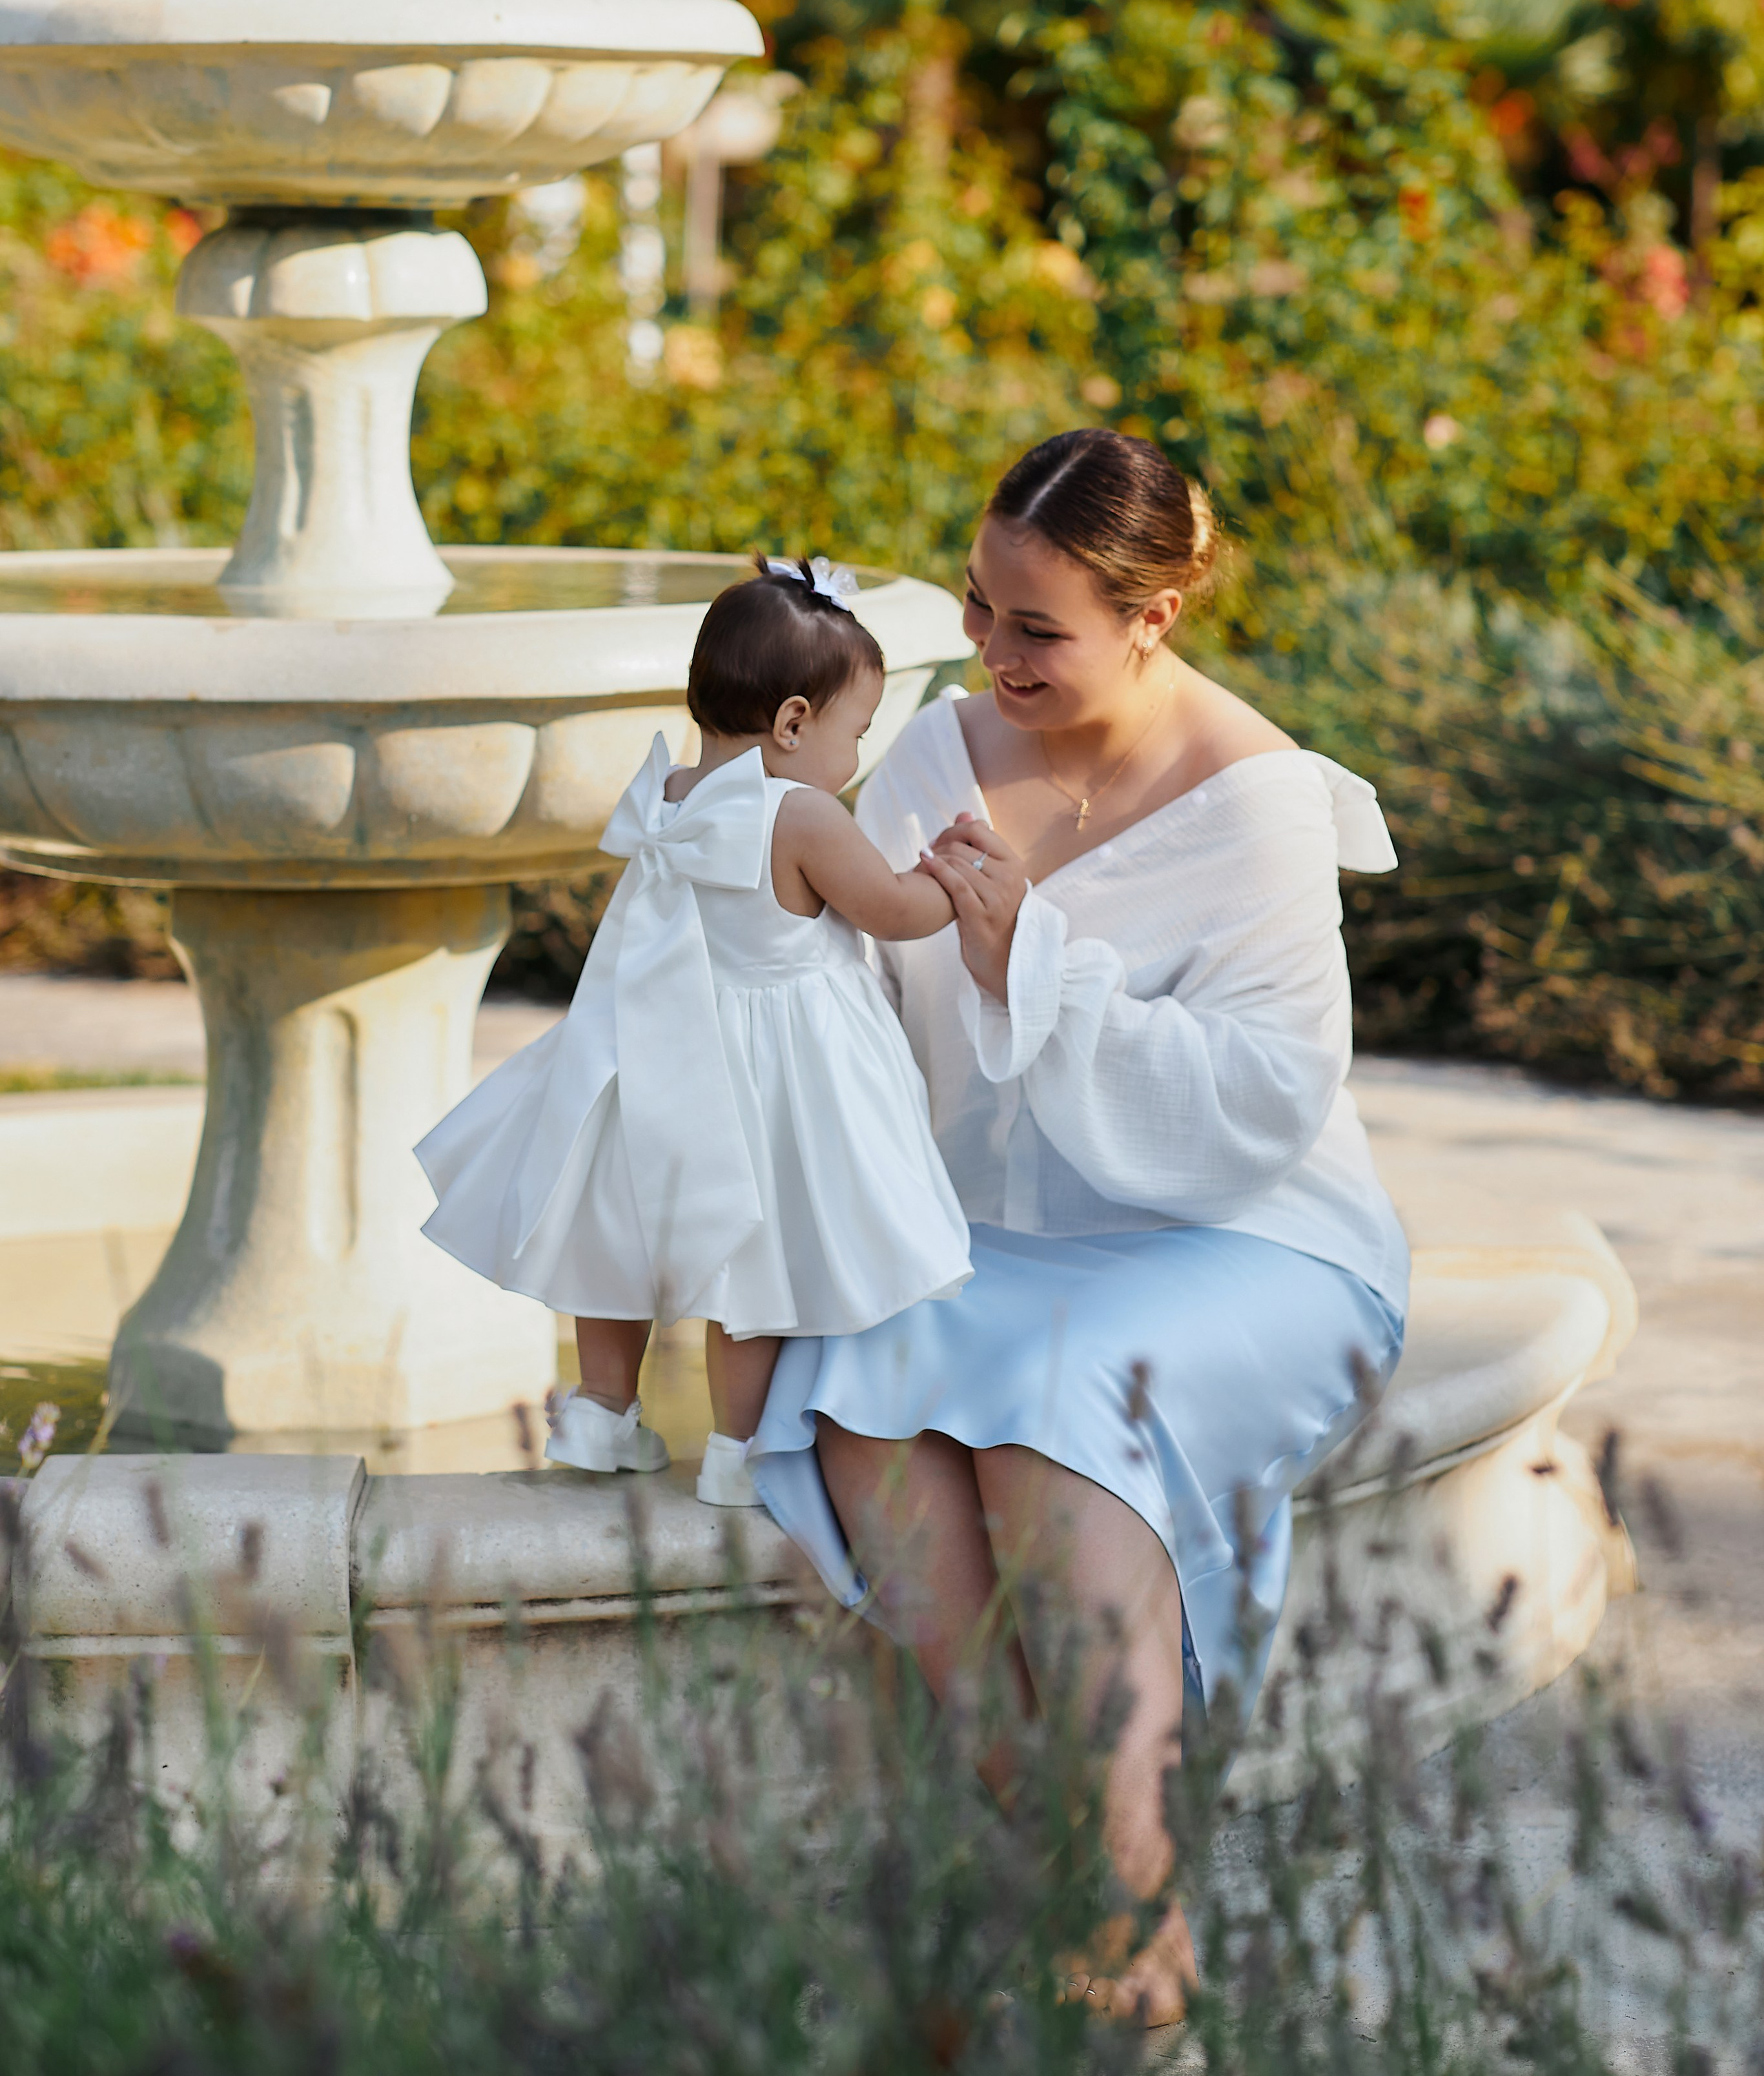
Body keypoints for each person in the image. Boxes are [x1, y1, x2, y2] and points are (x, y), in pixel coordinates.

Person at [749, 432, 1409, 2026]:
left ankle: (1119, 1933)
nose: (989, 654)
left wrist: (1034, 965)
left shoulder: (1252, 804)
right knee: (851, 1383)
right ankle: (1093, 1870)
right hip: (986, 1227)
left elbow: (1261, 1099)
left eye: (1035, 628)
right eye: (980, 609)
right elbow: (838, 1014)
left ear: (1156, 613)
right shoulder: (929, 754)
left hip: (1245, 1236)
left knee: (1060, 1407)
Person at [416, 556, 973, 1507]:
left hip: (659, 1044)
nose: (856, 757)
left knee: (613, 1232)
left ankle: (600, 1411)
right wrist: (951, 882)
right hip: (771, 1069)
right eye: (856, 733)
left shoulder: (667, 795)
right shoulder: (801, 812)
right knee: (749, 1257)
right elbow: (886, 909)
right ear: (795, 721)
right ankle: (738, 1451)